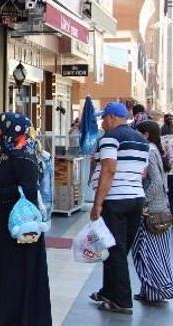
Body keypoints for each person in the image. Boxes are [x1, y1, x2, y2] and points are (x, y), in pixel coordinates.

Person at [0, 112, 51, 326]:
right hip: (4, 226)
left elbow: (29, 189)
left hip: (19, 230)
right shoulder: (7, 153)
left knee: (16, 276)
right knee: (5, 274)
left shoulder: (22, 156)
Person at [89, 102, 148, 314]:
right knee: (116, 249)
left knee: (115, 249)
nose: (102, 122)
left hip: (115, 200)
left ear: (112, 117)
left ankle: (122, 301)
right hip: (136, 199)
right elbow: (142, 173)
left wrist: (97, 203)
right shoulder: (142, 140)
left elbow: (109, 169)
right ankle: (108, 291)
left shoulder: (110, 138)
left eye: (104, 118)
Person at [131, 121, 173, 303]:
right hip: (161, 209)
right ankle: (151, 291)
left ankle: (158, 289)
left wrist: (143, 200)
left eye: (137, 133)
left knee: (146, 251)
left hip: (151, 211)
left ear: (146, 134)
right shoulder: (157, 149)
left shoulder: (149, 151)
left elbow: (156, 182)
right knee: (157, 252)